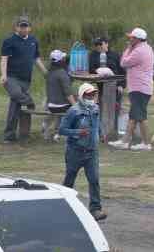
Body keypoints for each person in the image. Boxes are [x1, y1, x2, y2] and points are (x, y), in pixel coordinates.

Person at [59, 83, 107, 221]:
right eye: (88, 95)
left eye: (93, 94)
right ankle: (63, 205)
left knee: (94, 180)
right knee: (70, 179)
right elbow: (62, 130)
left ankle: (95, 209)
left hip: (92, 152)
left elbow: (97, 123)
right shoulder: (73, 111)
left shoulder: (96, 108)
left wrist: (101, 133)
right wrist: (78, 132)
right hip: (75, 151)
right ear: (81, 95)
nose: (91, 97)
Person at [0, 16, 47, 143]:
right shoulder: (9, 41)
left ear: (30, 28)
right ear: (16, 27)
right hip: (11, 77)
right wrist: (3, 75)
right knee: (16, 94)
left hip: (26, 79)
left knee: (15, 105)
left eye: (26, 26)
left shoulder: (33, 41)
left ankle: (14, 135)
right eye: (21, 26)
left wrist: (45, 73)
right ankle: (29, 101)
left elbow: (36, 59)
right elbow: (4, 59)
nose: (24, 28)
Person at [109, 27, 154, 151]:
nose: (129, 40)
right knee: (134, 116)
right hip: (141, 87)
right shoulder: (146, 48)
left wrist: (128, 48)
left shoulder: (138, 51)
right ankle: (125, 141)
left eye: (131, 38)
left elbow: (123, 63)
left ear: (138, 39)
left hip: (139, 88)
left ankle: (146, 143)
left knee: (140, 116)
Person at [44, 49, 75, 140]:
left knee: (64, 108)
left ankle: (53, 129)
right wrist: (76, 106)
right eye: (63, 58)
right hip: (61, 106)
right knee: (75, 107)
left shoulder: (49, 73)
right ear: (61, 61)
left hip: (50, 106)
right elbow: (68, 93)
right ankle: (62, 133)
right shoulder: (62, 73)